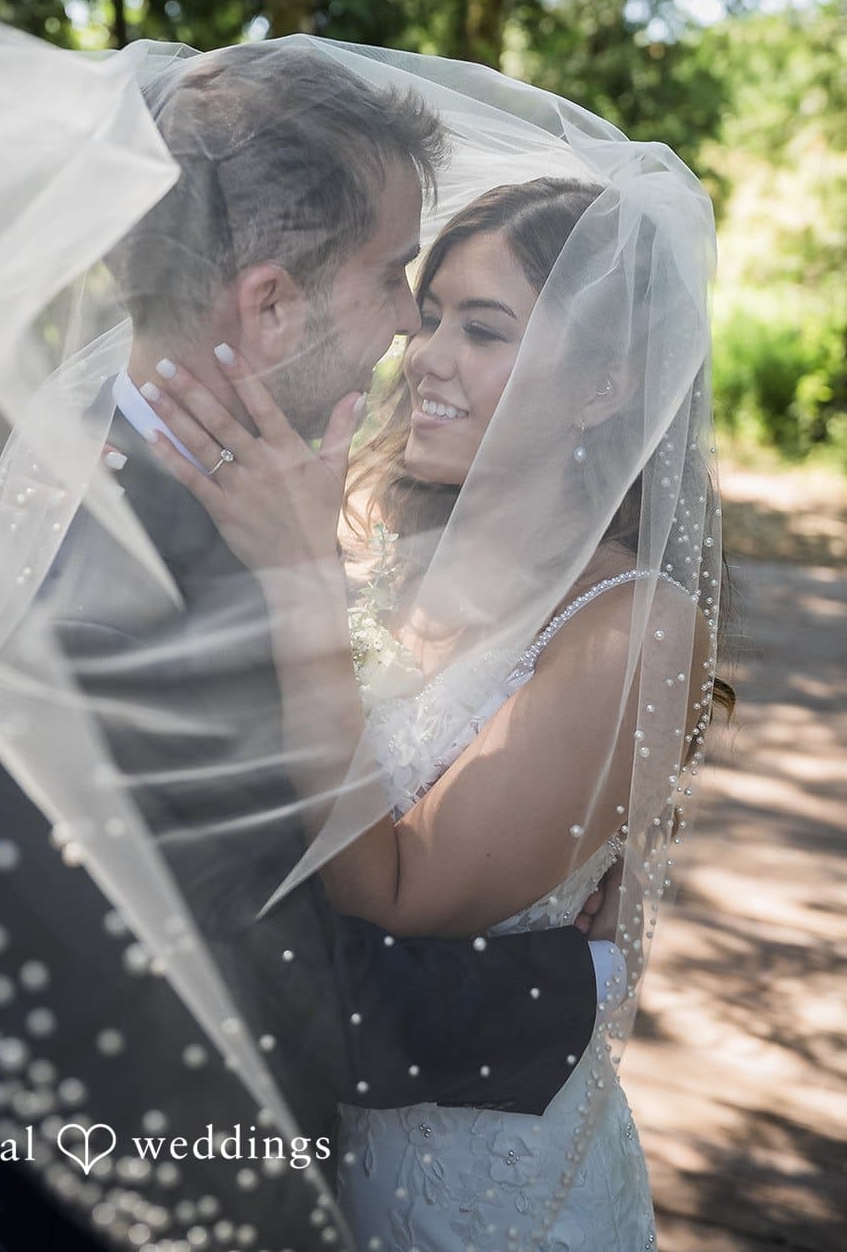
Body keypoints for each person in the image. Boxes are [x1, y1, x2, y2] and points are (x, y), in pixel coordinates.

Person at [0, 47, 621, 1252]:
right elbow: (265, 996)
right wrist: (579, 982)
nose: (410, 323)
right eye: (394, 274)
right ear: (272, 303)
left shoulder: (189, 485)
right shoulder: (107, 598)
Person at [135, 172, 732, 1248]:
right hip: (309, 1143)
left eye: (483, 327)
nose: (424, 350)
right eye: (431, 311)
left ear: (604, 385)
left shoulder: (629, 624)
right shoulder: (372, 545)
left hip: (480, 1185)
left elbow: (399, 884)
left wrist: (299, 588)